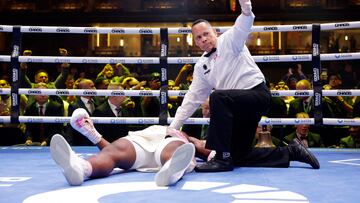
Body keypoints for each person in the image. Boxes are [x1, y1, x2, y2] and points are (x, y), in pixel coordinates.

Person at [169, 0, 277, 172]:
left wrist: (246, 7)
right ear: (195, 42)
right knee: (239, 155)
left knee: (217, 97)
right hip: (237, 109)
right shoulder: (201, 66)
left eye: (206, 34)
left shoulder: (230, 40)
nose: (203, 39)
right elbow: (192, 99)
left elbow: (244, 23)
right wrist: (173, 127)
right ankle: (292, 152)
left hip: (257, 96)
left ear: (215, 32)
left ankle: (221, 158)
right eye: (198, 37)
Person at [50, 108, 195, 186]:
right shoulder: (160, 129)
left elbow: (205, 147)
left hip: (168, 142)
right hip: (141, 140)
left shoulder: (182, 135)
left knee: (174, 149)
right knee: (114, 151)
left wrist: (212, 154)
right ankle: (81, 168)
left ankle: (171, 170)